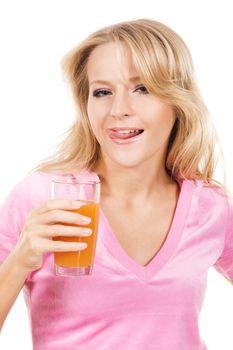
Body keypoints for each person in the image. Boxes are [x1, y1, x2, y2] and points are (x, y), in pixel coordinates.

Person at [0, 18, 232, 350]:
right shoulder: (43, 198)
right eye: (103, 92)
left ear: (177, 101)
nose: (118, 110)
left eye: (142, 88)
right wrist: (20, 258)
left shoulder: (210, 208)